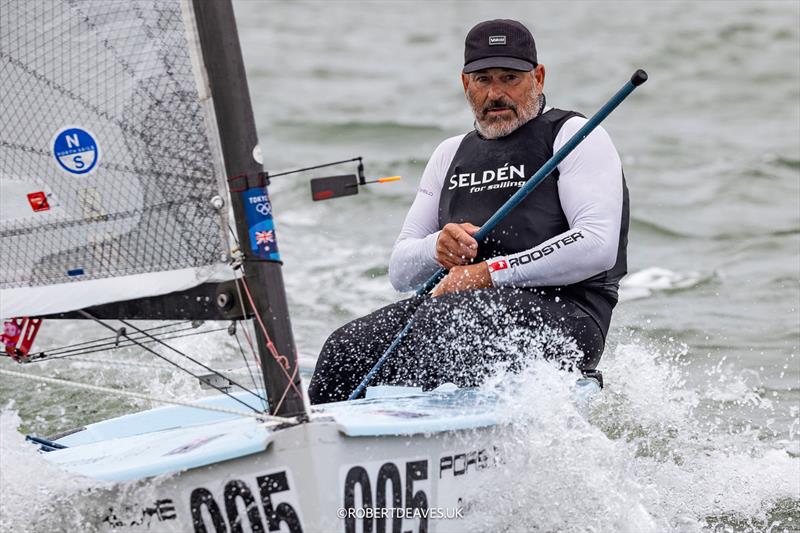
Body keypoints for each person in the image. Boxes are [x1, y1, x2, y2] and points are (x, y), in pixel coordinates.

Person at [308, 19, 629, 404]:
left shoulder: (575, 135)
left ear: (538, 77)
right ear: (465, 84)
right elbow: (400, 271)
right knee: (344, 349)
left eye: (510, 78)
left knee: (448, 327)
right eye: (483, 80)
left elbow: (596, 246)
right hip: (454, 315)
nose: (495, 93)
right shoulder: (449, 154)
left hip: (569, 315)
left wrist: (487, 274)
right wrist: (435, 249)